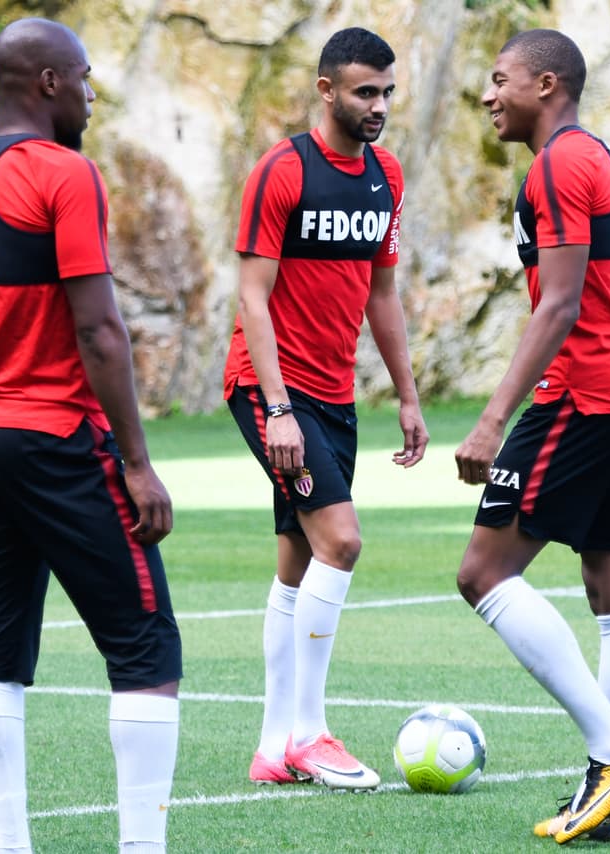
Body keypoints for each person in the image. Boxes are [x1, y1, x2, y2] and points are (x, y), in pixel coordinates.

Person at [0, 18, 182, 854]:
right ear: (50, 84)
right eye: (87, 78)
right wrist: (136, 463)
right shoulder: (66, 175)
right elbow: (100, 329)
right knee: (146, 652)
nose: (95, 95)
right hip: (55, 436)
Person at [454, 29, 610, 845]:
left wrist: (491, 418)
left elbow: (562, 303)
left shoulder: (560, 164)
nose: (488, 95)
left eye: (500, 79)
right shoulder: (592, 157)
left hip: (585, 393)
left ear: (547, 85)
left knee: (483, 573)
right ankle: (604, 784)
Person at [224, 26, 428, 791]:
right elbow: (252, 293)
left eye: (386, 92)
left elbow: (382, 293)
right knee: (341, 542)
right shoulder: (281, 172)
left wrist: (406, 396)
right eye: (363, 92)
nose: (377, 106)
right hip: (271, 389)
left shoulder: (388, 175)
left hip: (336, 395)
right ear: (326, 91)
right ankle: (310, 732)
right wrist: (277, 408)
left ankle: (273, 747)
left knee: (299, 561)